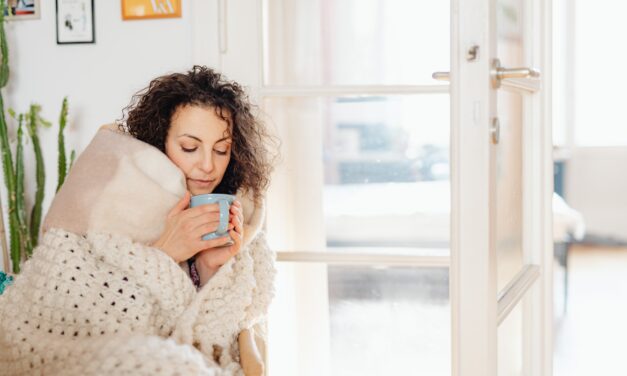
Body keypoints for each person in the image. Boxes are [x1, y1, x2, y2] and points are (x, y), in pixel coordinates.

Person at [0, 66, 278, 375]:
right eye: (189, 147)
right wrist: (163, 253)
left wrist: (211, 268)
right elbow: (74, 309)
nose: (207, 165)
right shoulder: (110, 198)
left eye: (222, 150)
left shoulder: (241, 221)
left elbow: (234, 330)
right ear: (160, 142)